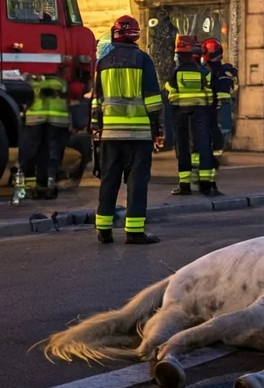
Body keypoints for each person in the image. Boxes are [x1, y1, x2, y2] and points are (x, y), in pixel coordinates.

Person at [92, 15, 162, 245]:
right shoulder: (143, 59)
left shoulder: (103, 62)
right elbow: (152, 99)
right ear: (136, 34)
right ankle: (134, 232)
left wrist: (96, 128)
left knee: (109, 180)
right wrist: (158, 127)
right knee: (137, 183)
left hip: (110, 135)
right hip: (139, 135)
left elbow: (97, 100)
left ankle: (103, 230)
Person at [165, 35, 219, 196]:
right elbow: (210, 97)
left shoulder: (176, 74)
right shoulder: (204, 73)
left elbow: (171, 96)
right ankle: (206, 185)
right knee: (203, 147)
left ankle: (185, 186)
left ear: (180, 56)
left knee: (182, 149)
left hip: (181, 115)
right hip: (201, 114)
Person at [17, 73, 70, 200]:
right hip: (53, 120)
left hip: (38, 120)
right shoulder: (60, 78)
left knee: (39, 155)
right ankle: (43, 186)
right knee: (48, 155)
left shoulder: (30, 77)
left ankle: (41, 187)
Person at [201, 38, 236, 160]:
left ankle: (215, 154)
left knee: (214, 129)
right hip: (223, 104)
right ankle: (218, 154)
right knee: (222, 130)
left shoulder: (205, 70)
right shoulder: (227, 70)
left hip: (212, 104)